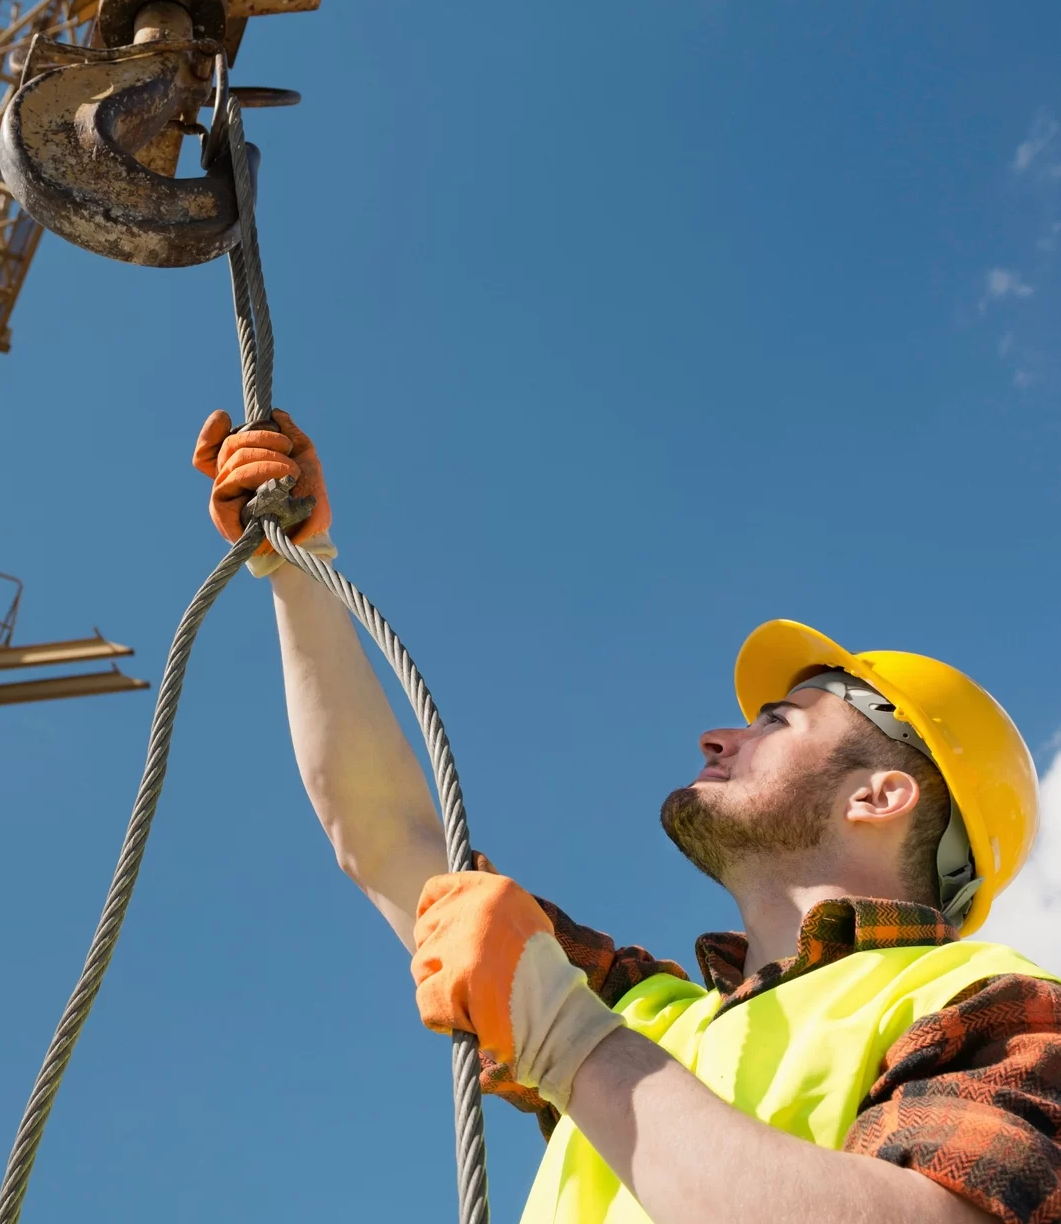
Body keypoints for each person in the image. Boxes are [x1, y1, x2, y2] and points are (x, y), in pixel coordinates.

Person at [193, 410, 1061, 1224]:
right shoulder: (644, 1012)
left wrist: (572, 1041)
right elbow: (386, 838)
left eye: (778, 720)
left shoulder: (992, 1002)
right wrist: (297, 568)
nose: (717, 736)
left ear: (878, 795)